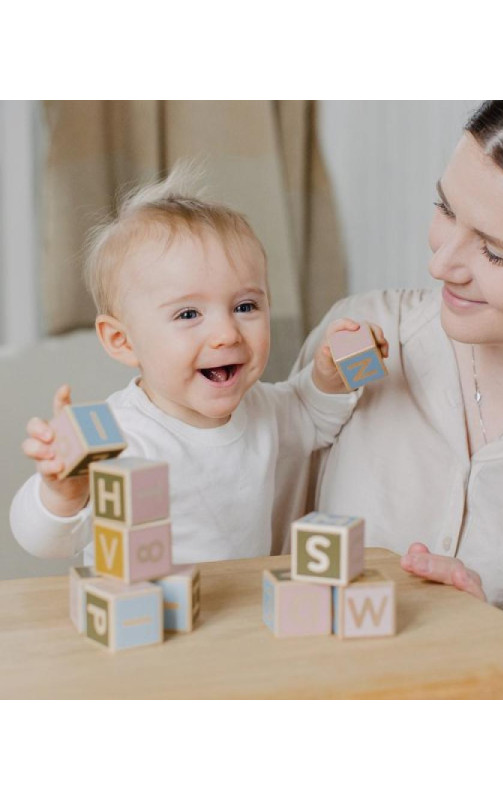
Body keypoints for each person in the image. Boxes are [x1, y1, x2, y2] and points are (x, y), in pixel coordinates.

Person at [287, 101, 503, 677]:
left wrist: (493, 646)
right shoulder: (356, 343)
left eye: (495, 252)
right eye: (445, 209)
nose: (441, 264)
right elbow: (247, 540)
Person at [10, 165, 388, 566]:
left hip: (229, 617)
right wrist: (64, 495)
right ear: (122, 341)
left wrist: (328, 378)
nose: (226, 333)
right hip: (144, 616)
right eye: (189, 314)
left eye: (245, 306)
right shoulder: (117, 436)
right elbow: (44, 543)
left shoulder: (261, 408)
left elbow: (313, 420)